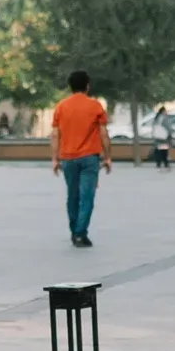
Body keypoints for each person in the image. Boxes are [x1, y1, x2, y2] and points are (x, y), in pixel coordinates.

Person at [51, 72, 110, 248]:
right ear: (87, 85)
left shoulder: (61, 107)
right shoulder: (95, 106)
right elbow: (103, 134)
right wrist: (108, 157)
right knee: (87, 196)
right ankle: (80, 232)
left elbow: (55, 135)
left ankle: (74, 230)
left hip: (68, 158)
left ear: (70, 86)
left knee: (72, 196)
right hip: (89, 158)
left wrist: (54, 159)